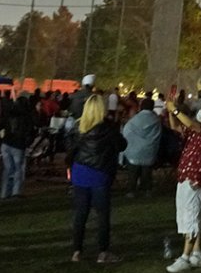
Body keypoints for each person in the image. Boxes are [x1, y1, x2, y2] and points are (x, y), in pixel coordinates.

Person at [165, 102, 201, 273]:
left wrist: (174, 109)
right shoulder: (198, 129)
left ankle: (185, 257)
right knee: (190, 215)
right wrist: (170, 112)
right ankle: (196, 253)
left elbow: (190, 123)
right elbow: (176, 126)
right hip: (186, 175)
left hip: (195, 177)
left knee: (191, 216)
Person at [68, 93, 122, 264]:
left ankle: (77, 251)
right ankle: (103, 252)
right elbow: (122, 145)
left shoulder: (79, 127)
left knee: (80, 214)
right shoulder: (108, 129)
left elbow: (70, 149)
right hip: (99, 173)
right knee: (102, 215)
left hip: (80, 173)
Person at [0, 93, 35, 199]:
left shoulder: (8, 114)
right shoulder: (26, 117)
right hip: (18, 145)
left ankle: (4, 193)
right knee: (18, 169)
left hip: (6, 143)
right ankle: (16, 192)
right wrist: (27, 142)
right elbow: (30, 131)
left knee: (8, 169)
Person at [122, 99, 162, 195]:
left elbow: (126, 132)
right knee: (147, 172)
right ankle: (147, 189)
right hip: (149, 152)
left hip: (133, 152)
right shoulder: (156, 120)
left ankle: (131, 190)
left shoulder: (134, 120)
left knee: (133, 173)